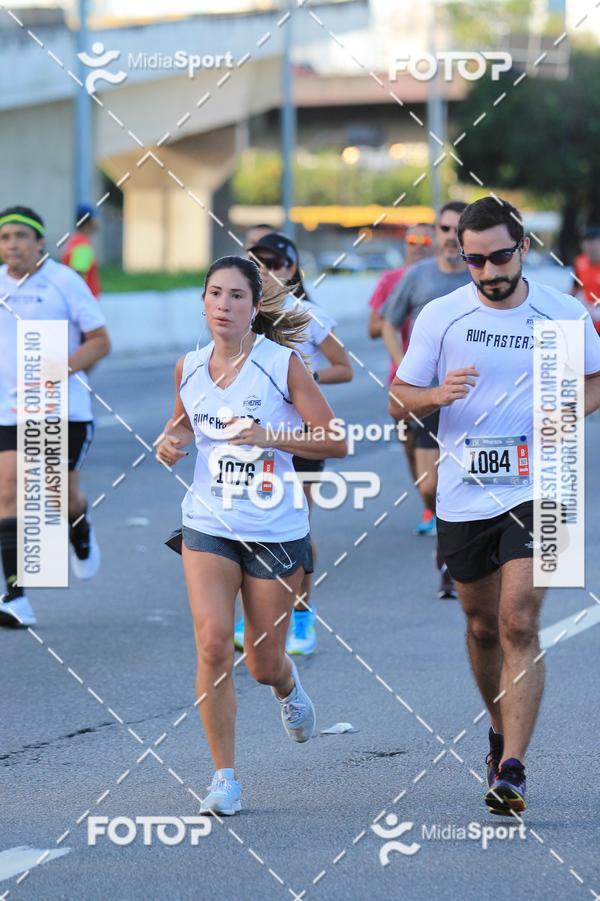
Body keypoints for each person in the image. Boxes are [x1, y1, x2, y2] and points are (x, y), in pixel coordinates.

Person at [389, 196, 600, 815]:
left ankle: (512, 769)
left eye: (500, 256)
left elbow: (597, 376)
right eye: (474, 260)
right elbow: (397, 402)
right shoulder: (441, 316)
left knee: (518, 621)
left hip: (547, 481)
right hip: (465, 490)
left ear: (524, 247)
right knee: (481, 626)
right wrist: (434, 394)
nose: (488, 271)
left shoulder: (561, 312)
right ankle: (499, 730)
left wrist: (565, 413)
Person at [156, 256, 347, 815]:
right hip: (208, 523)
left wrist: (271, 436)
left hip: (275, 527)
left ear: (254, 305)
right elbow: (181, 427)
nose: (224, 305)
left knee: (263, 663)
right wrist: (169, 445)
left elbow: (334, 441)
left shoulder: (282, 363)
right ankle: (224, 778)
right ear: (203, 301)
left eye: (237, 295)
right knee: (214, 643)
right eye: (214, 293)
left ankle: (287, 687)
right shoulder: (188, 366)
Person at [237, 231, 353, 656]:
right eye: (254, 262)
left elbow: (344, 368)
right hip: (249, 438)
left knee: (296, 525)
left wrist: (303, 379)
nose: (262, 271)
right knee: (245, 524)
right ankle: (249, 617)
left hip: (302, 437)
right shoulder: (240, 310)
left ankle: (302, 616)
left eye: (270, 263)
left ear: (289, 269)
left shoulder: (307, 314)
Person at [0, 206, 110, 627]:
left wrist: (56, 370)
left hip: (62, 409)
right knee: (8, 491)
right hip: (10, 409)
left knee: (58, 495)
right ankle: (15, 597)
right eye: (5, 237)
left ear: (39, 241)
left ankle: (79, 533)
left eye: (21, 236)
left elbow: (100, 342)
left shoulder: (64, 281)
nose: (13, 244)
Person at [383, 201, 470, 599]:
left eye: (458, 229)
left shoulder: (480, 276)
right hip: (424, 397)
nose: (451, 237)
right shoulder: (417, 276)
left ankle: (453, 558)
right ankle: (444, 529)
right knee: (428, 486)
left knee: (468, 481)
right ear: (436, 233)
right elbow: (388, 321)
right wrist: (403, 366)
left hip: (471, 401)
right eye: (445, 228)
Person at [367, 223, 435, 533]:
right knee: (409, 445)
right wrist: (403, 309)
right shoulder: (392, 280)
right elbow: (374, 327)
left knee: (441, 445)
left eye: (425, 239)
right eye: (412, 239)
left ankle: (446, 506)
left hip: (440, 378)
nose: (418, 245)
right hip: (403, 378)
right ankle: (428, 504)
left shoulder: (442, 280)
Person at [61, 202, 101, 299]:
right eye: (96, 218)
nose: (99, 222)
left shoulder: (74, 241)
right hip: (84, 303)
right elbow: (78, 277)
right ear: (89, 221)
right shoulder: (82, 244)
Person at [571, 224, 600, 332]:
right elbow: (575, 287)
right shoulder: (580, 262)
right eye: (586, 241)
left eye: (592, 241)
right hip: (588, 321)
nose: (589, 246)